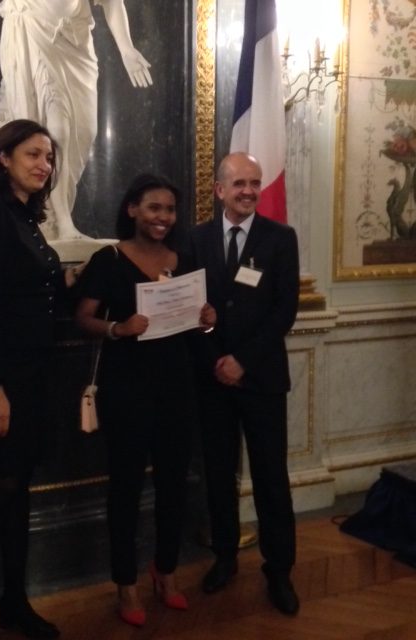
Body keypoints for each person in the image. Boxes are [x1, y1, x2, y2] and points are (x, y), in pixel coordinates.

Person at [0, 119, 82, 640]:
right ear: (3, 157)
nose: (44, 165)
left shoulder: (23, 216)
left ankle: (14, 603)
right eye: (33, 154)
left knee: (17, 491)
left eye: (49, 157)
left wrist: (81, 279)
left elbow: (35, 293)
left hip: (31, 378)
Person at [75, 174, 215, 627]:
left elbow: (196, 325)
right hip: (126, 391)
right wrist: (118, 328)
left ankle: (166, 572)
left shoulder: (184, 258)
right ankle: (126, 584)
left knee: (174, 485)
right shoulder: (109, 259)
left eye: (170, 209)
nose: (163, 217)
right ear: (132, 209)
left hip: (177, 387)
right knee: (126, 488)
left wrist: (207, 320)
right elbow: (83, 318)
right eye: (154, 208)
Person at [189, 152, 300, 615]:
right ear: (220, 190)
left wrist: (242, 362)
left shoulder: (280, 238)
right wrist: (217, 360)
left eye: (255, 183)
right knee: (218, 475)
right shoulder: (195, 239)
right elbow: (189, 307)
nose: (249, 191)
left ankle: (279, 571)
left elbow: (284, 311)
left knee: (271, 478)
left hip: (262, 379)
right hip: (212, 379)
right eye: (239, 184)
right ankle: (225, 558)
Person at [0, 0, 153, 240]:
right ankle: (61, 222)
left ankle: (52, 215)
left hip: (76, 43)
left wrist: (126, 48)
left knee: (86, 131)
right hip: (36, 32)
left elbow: (111, 2)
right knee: (56, 133)